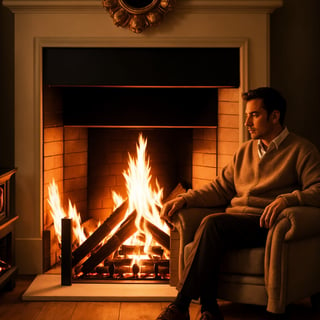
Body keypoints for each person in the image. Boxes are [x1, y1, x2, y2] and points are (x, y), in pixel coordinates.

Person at [156, 87, 320, 320]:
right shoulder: (244, 152)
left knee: (212, 224)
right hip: (233, 224)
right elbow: (220, 188)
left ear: (275, 116)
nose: (246, 123)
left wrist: (288, 199)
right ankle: (209, 309)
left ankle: (181, 306)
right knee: (212, 229)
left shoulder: (302, 150)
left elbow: (318, 189)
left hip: (265, 225)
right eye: (246, 115)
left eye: (254, 115)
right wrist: (185, 199)